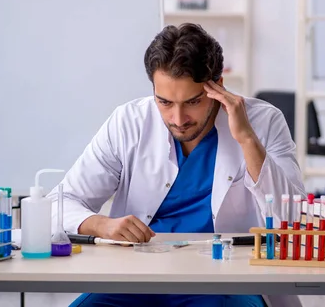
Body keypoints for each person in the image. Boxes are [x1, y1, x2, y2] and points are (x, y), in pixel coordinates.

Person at [47, 23, 306, 307]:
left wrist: (246, 139)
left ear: (218, 85)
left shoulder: (263, 122)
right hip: (136, 279)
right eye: (164, 102)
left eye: (193, 101)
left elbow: (293, 220)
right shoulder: (129, 122)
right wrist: (100, 224)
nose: (178, 118)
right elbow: (58, 204)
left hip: (224, 281)